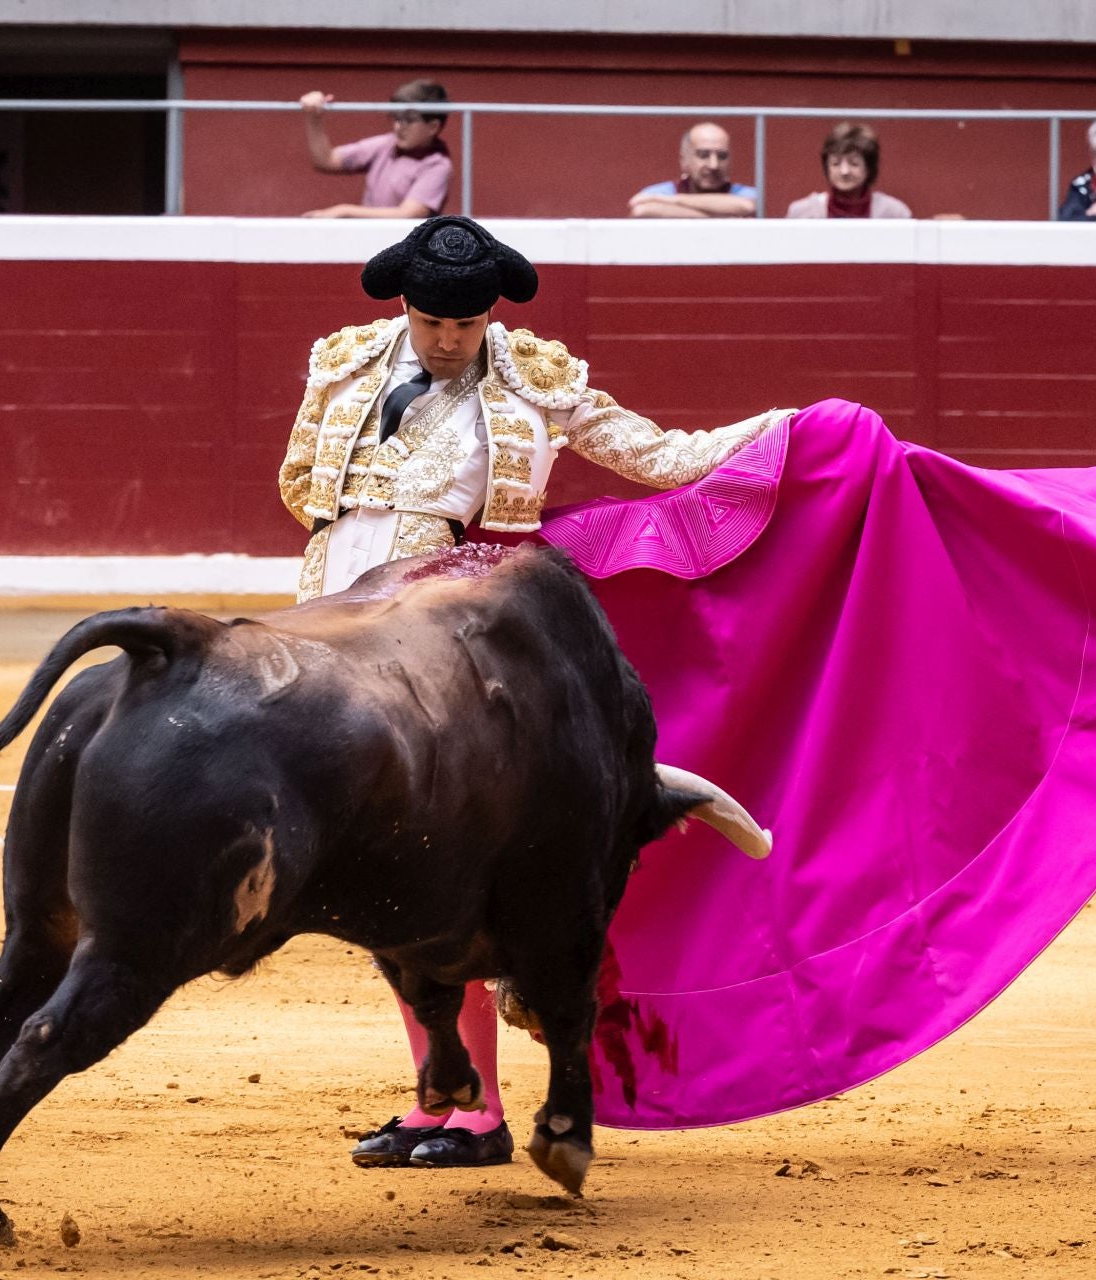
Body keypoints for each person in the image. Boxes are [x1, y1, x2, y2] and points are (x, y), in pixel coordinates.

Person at [277, 215, 783, 1165]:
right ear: (404, 303)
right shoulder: (344, 364)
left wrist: (783, 432)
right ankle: (439, 1096)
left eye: (465, 325)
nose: (448, 339)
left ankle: (478, 1113)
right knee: (383, 870)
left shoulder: (533, 379)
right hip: (332, 627)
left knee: (447, 867)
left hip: (457, 654)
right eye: (432, 320)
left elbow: (662, 458)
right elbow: (313, 495)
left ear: (491, 314)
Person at [299, 79, 454, 219]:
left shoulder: (438, 164)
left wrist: (345, 211)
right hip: (372, 240)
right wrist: (314, 117)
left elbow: (408, 214)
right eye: (396, 117)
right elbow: (326, 160)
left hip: (410, 246)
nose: (398, 126)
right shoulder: (385, 144)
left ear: (433, 127)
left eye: (409, 120)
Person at [787, 122, 913, 219]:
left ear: (869, 167)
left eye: (854, 163)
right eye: (836, 163)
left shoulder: (894, 213)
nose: (844, 171)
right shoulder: (802, 212)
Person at [628, 123, 757, 218]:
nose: (714, 165)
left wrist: (674, 201)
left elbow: (747, 207)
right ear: (684, 161)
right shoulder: (663, 191)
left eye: (722, 156)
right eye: (703, 155)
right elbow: (641, 211)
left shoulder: (744, 193)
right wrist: (724, 215)